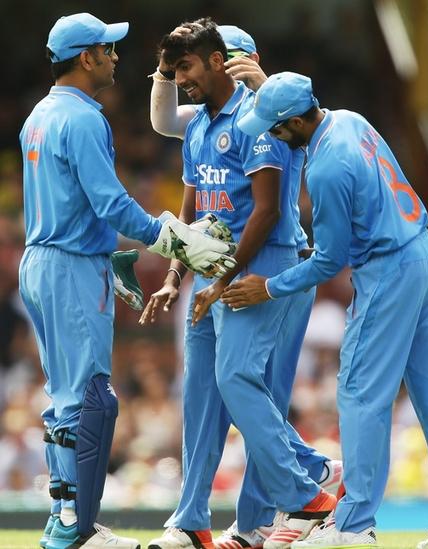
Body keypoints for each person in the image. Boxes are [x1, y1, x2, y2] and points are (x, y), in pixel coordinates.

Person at [196, 71, 428, 549]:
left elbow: (330, 260)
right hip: (425, 254)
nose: (269, 136)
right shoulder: (348, 120)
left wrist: (268, 287)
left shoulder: (326, 167)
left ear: (293, 122)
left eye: (273, 126)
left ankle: (352, 526)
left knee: (359, 394)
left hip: (387, 270)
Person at [20, 12, 236, 549]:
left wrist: (109, 254)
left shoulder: (40, 115)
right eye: (109, 50)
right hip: (69, 266)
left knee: (65, 399)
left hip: (44, 262)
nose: (117, 58)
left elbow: (69, 203)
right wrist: (176, 240)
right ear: (87, 57)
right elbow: (110, 202)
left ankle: (65, 520)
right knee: (92, 398)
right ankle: (77, 528)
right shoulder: (85, 119)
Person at [141, 20, 337, 549]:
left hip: (266, 264)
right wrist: (178, 272)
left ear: (221, 62)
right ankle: (192, 519)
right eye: (176, 69)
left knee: (244, 385)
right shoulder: (202, 124)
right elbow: (195, 203)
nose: (183, 78)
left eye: (189, 66)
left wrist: (220, 277)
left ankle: (300, 497)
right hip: (211, 271)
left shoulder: (259, 122)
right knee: (203, 396)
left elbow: (269, 211)